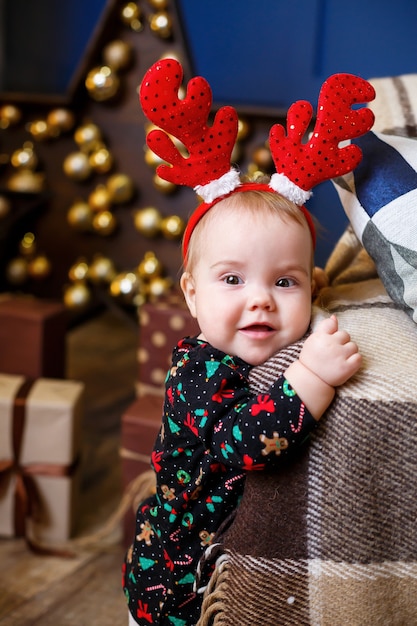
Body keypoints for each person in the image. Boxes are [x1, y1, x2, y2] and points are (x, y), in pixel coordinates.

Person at [123, 59, 375, 625]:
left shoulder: (269, 335)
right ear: (191, 294)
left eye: (284, 282)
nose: (260, 299)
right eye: (232, 280)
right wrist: (312, 375)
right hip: (177, 579)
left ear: (311, 287)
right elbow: (245, 441)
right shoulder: (197, 372)